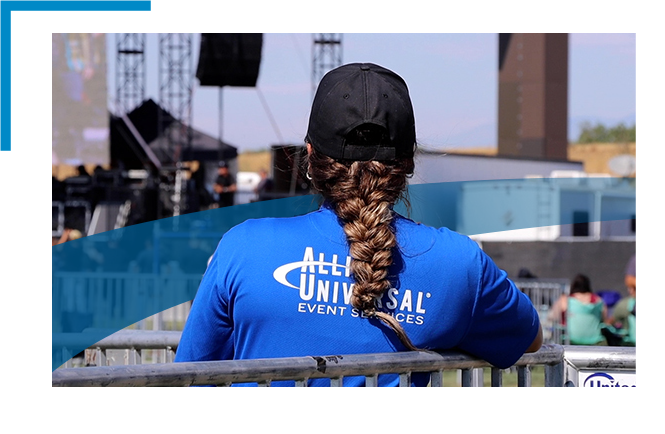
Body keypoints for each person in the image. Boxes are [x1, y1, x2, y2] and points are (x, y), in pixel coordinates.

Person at [175, 62, 542, 386]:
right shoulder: (459, 264)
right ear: (408, 162)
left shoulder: (244, 247)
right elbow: (530, 339)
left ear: (311, 157)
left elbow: (189, 379)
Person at [549, 274, 608, 345]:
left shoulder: (565, 300)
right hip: (595, 341)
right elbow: (604, 319)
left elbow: (552, 317)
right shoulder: (599, 301)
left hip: (570, 340)